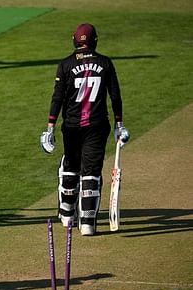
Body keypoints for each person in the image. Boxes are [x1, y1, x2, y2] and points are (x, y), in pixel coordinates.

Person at [40, 23, 130, 236]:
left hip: (71, 126)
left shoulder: (65, 64)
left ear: (75, 40)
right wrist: (120, 124)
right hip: (98, 126)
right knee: (90, 171)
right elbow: (115, 96)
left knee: (70, 166)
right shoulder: (105, 63)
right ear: (95, 40)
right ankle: (88, 223)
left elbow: (58, 97)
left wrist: (50, 127)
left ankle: (67, 214)